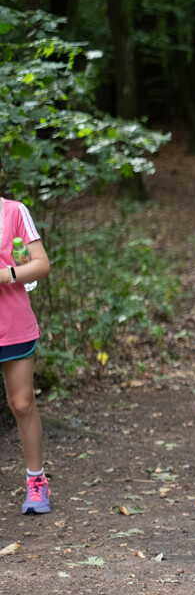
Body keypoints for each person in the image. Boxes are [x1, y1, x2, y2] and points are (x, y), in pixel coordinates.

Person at [0, 180, 52, 515]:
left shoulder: (14, 212)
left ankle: (36, 481)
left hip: (13, 324)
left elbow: (41, 264)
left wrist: (6, 274)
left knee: (21, 403)